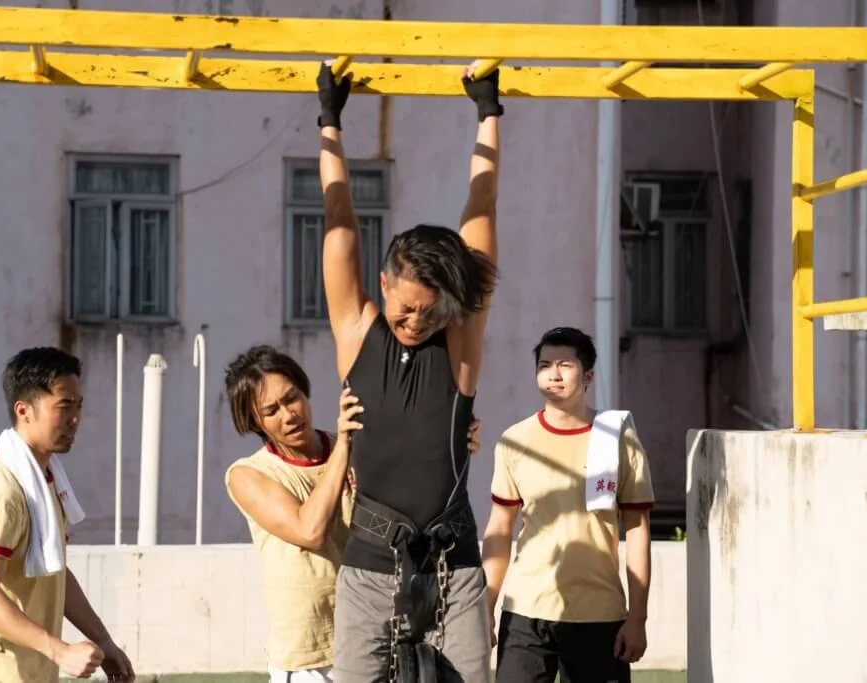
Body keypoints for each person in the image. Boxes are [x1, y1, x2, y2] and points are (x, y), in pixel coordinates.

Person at [315, 58, 502, 683]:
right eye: (406, 307)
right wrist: (330, 121)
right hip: (370, 567)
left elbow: (481, 214)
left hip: (455, 569)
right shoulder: (356, 332)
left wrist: (488, 111)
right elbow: (339, 224)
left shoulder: (459, 348)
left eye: (430, 310)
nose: (417, 320)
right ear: (384, 284)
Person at [223, 345, 482, 683]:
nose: (289, 415)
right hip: (311, 658)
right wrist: (344, 447)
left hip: (375, 635)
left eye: (292, 398)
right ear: (253, 421)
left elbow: (414, 500)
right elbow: (310, 530)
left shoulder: (360, 449)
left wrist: (455, 442)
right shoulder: (248, 475)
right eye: (271, 410)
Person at [0, 347, 134, 682]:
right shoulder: (1, 489)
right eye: (64, 406)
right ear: (23, 411)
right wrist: (60, 651)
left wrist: (104, 641)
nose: (75, 418)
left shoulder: (43, 480)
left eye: (78, 405)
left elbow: (54, 571)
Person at [481, 327, 655, 683]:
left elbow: (637, 530)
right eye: (545, 365)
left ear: (588, 376)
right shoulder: (515, 441)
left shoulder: (618, 438)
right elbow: (499, 528)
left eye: (565, 365)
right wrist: (486, 606)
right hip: (526, 611)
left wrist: (637, 617)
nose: (554, 374)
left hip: (599, 614)